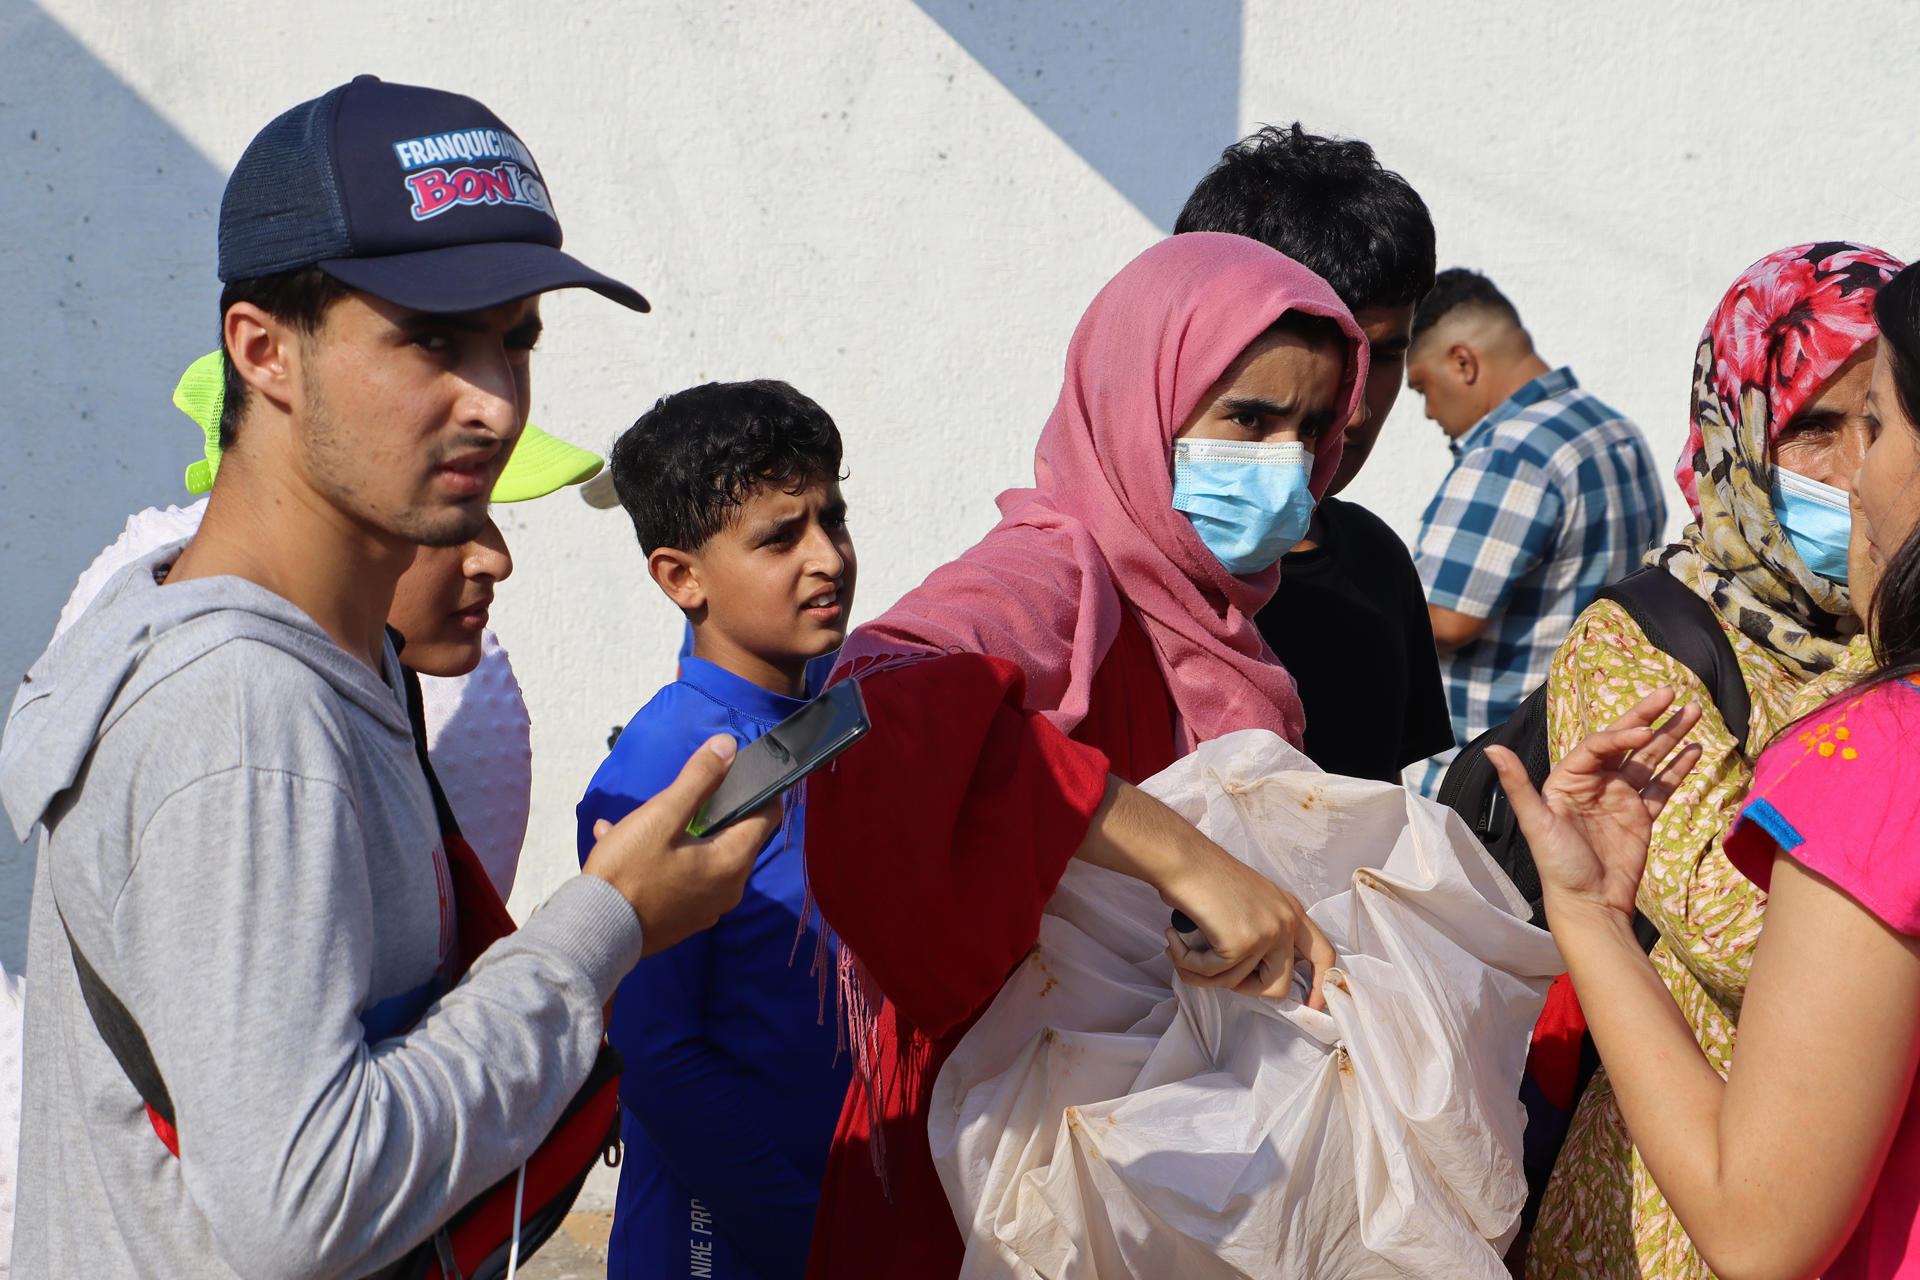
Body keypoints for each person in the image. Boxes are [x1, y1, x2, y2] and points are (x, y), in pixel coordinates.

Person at [0, 76, 778, 1276]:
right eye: (432, 336)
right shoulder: (240, 712)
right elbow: (305, 1207)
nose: (497, 399)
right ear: (264, 350)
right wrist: (606, 925)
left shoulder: (303, 640)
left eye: (517, 336)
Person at [798, 232, 1359, 1279]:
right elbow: (870, 706)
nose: (1288, 461)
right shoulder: (1055, 569)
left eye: (1312, 427)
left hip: (1161, 1156)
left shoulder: (1220, 626)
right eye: (1247, 418)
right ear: (1139, 404)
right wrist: (1186, 859)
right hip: (995, 1161)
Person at [1488, 257, 1920, 1280]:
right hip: (1678, 1186)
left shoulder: (1885, 723)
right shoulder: (1637, 637)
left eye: (1877, 421)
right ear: (1738, 426)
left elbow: (1817, 935)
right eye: (1817, 423)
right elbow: (1737, 929)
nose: (1846, 469)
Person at [53, 351, 608, 899]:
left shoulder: (382, 701)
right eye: (448, 508)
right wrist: (607, 919)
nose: (496, 558)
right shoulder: (243, 754)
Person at [578, 381, 856, 1280]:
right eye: (780, 536)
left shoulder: (830, 718)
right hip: (724, 1242)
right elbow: (657, 1055)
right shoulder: (665, 765)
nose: (827, 558)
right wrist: (805, 1243)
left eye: (833, 518)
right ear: (680, 576)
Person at [1174, 123, 1452, 782]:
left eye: (1383, 356)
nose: (1351, 411)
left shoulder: (1374, 562)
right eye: (1322, 353)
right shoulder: (1092, 587)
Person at [1406, 268, 1667, 794]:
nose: (1430, 411)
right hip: (1569, 747)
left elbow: (1449, 619)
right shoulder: (1614, 429)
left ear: (1462, 361)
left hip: (1487, 773)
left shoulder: (1513, 450)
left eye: (1422, 388)